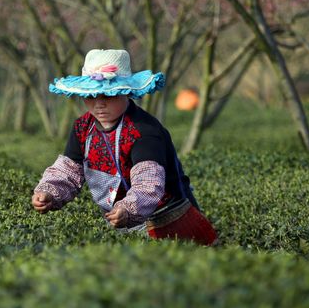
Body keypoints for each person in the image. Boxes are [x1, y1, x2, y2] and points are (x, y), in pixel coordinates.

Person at [31, 48, 217, 246]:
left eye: (108, 96)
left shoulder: (144, 131)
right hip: (121, 223)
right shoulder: (83, 127)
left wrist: (128, 208)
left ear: (126, 93)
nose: (99, 104)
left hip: (170, 223)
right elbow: (68, 169)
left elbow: (148, 183)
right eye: (92, 96)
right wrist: (49, 193)